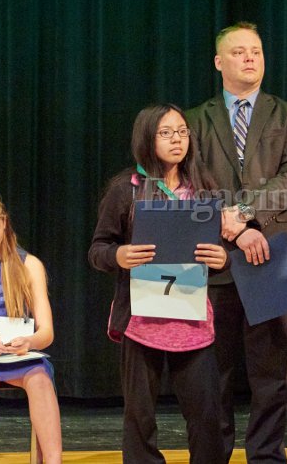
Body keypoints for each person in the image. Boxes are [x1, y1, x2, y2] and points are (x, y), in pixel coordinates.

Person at [186, 22, 287, 464]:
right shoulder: (195, 119)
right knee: (212, 372)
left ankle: (266, 457)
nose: (249, 58)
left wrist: (244, 213)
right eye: (239, 52)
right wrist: (235, 227)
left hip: (274, 250)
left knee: (271, 374)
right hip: (214, 251)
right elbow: (192, 182)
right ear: (218, 62)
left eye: (256, 51)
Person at [88, 104, 229, 464]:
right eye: (166, 133)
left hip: (191, 319)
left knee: (207, 416)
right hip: (141, 321)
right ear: (147, 139)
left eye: (182, 132)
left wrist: (222, 258)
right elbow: (98, 249)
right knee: (140, 418)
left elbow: (219, 249)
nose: (177, 140)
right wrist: (119, 255)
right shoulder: (126, 189)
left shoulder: (204, 188)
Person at [0, 187, 62, 463]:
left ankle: (53, 461)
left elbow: (46, 332)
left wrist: (29, 342)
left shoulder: (29, 265)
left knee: (39, 376)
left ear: (4, 222)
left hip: (14, 355)